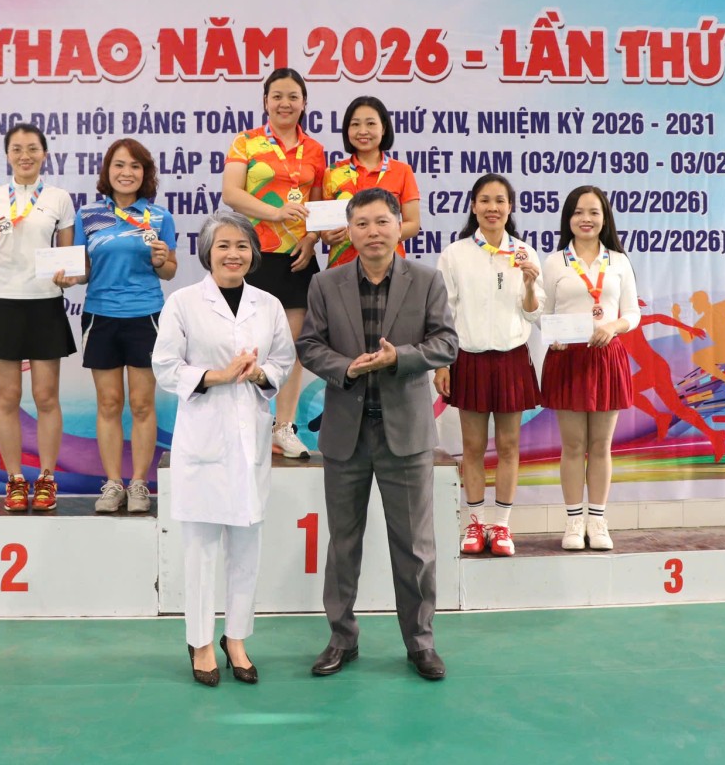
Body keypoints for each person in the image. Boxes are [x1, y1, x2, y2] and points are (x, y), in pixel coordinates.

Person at [296, 188, 458, 681]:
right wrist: (346, 368)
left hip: (405, 434)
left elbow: (446, 343)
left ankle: (420, 642)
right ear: (348, 231)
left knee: (415, 547)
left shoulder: (426, 280)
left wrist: (398, 358)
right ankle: (341, 638)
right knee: (343, 544)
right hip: (346, 434)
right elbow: (309, 345)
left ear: (398, 226)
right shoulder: (325, 283)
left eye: (382, 221)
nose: (372, 232)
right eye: (362, 223)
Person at [153, 211, 296, 686]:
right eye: (223, 246)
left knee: (246, 547)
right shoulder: (183, 303)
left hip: (249, 438)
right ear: (207, 253)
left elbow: (283, 359)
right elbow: (165, 366)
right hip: (204, 438)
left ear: (253, 253)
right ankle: (199, 642)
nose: (233, 254)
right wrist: (217, 376)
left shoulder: (268, 304)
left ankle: (236, 639)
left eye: (241, 246)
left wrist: (259, 374)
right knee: (201, 550)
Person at [63, 138, 178, 514]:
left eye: (134, 166)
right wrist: (66, 276)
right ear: (107, 171)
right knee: (109, 402)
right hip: (100, 316)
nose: (126, 172)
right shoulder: (88, 215)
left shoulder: (159, 217)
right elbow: (82, 272)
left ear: (145, 173)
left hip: (146, 316)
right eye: (119, 165)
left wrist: (161, 260)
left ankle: (140, 484)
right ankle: (113, 483)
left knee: (143, 404)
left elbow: (169, 270)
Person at [432, 174, 543, 558]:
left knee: (509, 446)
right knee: (473, 446)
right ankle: (475, 523)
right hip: (469, 358)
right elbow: (444, 314)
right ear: (473, 206)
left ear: (510, 207)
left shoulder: (525, 253)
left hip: (512, 358)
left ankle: (502, 526)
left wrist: (529, 285)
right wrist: (442, 364)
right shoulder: (455, 254)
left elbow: (534, 314)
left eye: (500, 201)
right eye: (485, 200)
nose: (492, 208)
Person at [221, 68, 326, 460]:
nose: (285, 103)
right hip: (254, 256)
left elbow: (319, 207)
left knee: (292, 349)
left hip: (297, 259)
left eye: (293, 96)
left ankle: (284, 426)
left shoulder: (314, 149)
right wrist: (276, 213)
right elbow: (231, 193)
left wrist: (311, 239)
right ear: (265, 101)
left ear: (304, 103)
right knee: (249, 346)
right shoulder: (246, 142)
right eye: (277, 96)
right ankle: (246, 425)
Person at [0, 123, 77, 513]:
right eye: (17, 149)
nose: (25, 155)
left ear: (44, 154)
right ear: (7, 155)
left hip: (44, 303)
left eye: (32, 148)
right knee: (7, 398)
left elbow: (67, 262)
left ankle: (47, 478)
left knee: (46, 397)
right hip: (3, 302)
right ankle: (15, 479)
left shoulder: (59, 199)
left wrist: (67, 277)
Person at [539, 186, 640, 552]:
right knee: (573, 445)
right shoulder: (554, 262)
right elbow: (542, 312)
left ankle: (597, 520)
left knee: (600, 445)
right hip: (567, 359)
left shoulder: (619, 261)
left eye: (594, 212)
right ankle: (573, 521)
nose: (586, 219)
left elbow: (632, 312)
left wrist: (613, 326)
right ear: (568, 218)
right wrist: (552, 335)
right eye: (578, 212)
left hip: (605, 357)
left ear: (604, 218)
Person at [321, 94, 421, 268]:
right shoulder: (332, 172)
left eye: (370, 123)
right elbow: (324, 228)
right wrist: (327, 236)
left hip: (389, 265)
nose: (363, 131)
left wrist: (378, 234)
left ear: (383, 128)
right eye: (355, 124)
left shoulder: (402, 171)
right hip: (342, 267)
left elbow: (413, 224)